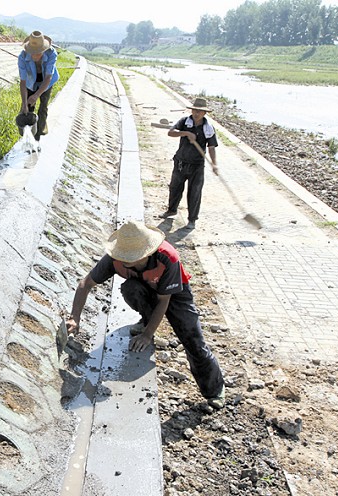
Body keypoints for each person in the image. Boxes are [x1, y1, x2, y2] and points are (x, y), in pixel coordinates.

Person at [66, 220, 226, 409]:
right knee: (131, 289)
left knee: (192, 338)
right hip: (145, 287)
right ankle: (146, 321)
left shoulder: (167, 258)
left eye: (131, 257)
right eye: (123, 257)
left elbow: (164, 300)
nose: (125, 260)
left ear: (146, 253)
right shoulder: (114, 258)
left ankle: (214, 390)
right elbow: (86, 284)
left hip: (175, 294)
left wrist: (147, 335)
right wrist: (74, 317)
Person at [161, 97, 219, 230]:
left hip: (197, 165)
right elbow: (171, 132)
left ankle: (192, 219)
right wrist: (186, 133)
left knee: (195, 192)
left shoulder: (208, 128)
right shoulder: (184, 122)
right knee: (175, 187)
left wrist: (214, 164)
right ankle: (171, 210)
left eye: (199, 111)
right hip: (181, 161)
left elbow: (211, 147)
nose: (196, 113)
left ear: (204, 113)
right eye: (195, 110)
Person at [17, 30, 59, 144]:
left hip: (46, 82)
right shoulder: (22, 57)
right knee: (27, 108)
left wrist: (36, 95)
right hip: (31, 82)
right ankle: (27, 137)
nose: (35, 55)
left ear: (44, 49)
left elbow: (48, 78)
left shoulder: (51, 54)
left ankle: (38, 135)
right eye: (33, 52)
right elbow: (23, 82)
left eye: (38, 52)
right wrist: (25, 103)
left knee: (43, 107)